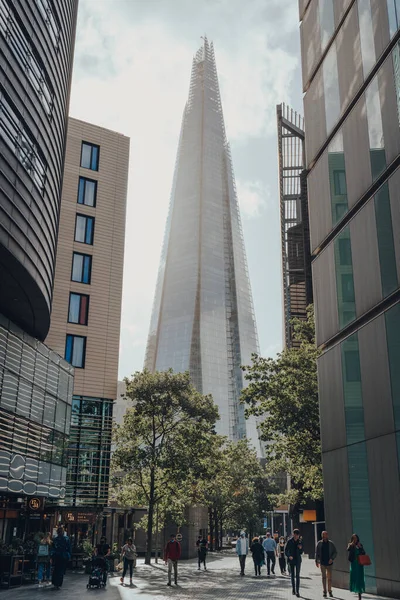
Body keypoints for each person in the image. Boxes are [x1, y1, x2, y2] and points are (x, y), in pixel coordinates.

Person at [316, 531, 338, 598]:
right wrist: (316, 561)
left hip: (329, 563)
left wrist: (332, 558)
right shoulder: (319, 543)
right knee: (323, 577)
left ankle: (330, 591)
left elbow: (335, 552)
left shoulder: (331, 543)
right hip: (322, 563)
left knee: (329, 578)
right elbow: (317, 553)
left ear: (327, 535)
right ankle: (324, 591)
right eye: (323, 535)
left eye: (325, 535)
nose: (324, 536)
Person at [285, 529, 303, 597]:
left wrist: (300, 548)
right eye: (295, 535)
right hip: (291, 560)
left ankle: (297, 591)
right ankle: (293, 589)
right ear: (293, 534)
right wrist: (289, 556)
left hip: (298, 560)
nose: (296, 537)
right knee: (292, 575)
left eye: (297, 535)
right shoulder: (289, 541)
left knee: (297, 575)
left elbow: (302, 551)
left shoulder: (300, 541)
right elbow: (286, 550)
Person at [347, 534, 366, 600]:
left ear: (357, 539)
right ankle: (357, 591)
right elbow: (348, 550)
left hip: (360, 564)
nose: (355, 540)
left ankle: (360, 593)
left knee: (360, 577)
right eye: (353, 538)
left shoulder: (360, 545)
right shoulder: (351, 545)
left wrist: (360, 547)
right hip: (354, 564)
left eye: (356, 538)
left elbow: (364, 553)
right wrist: (352, 545)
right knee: (355, 577)